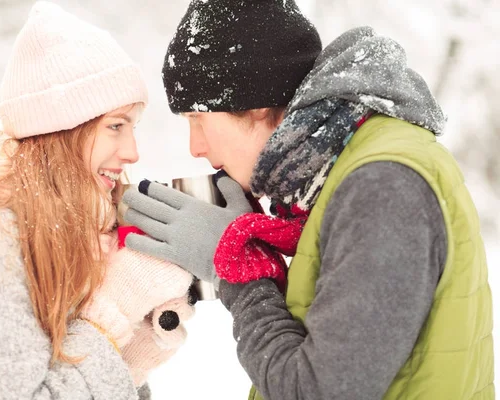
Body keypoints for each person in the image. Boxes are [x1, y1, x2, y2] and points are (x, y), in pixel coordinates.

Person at [122, 0, 494, 399]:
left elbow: (319, 391)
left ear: (254, 102)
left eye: (198, 119)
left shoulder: (382, 187)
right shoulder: (351, 172)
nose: (196, 146)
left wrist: (239, 269)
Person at [0, 2, 195, 399]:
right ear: (61, 132)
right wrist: (108, 316)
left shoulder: (81, 237)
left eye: (133, 127)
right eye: (115, 126)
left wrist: (128, 359)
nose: (132, 151)